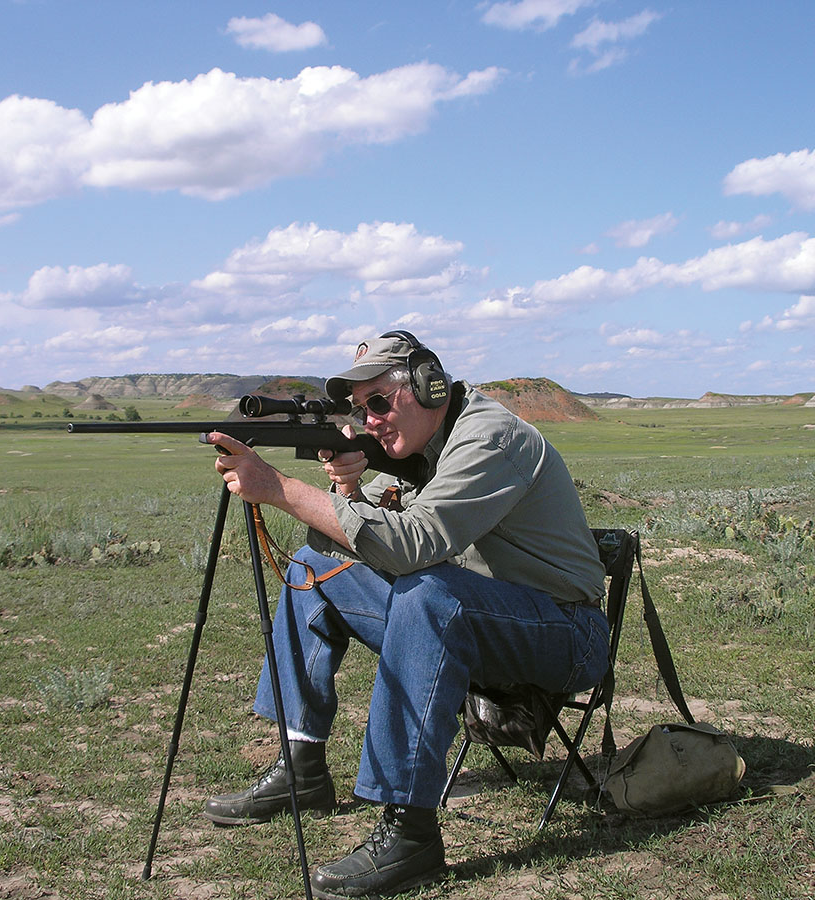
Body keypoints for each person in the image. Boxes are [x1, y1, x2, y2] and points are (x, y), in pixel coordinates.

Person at [204, 330, 609, 899]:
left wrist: (278, 488)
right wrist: (350, 490)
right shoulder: (417, 452)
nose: (369, 420)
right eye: (359, 408)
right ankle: (301, 764)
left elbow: (412, 546)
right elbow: (366, 535)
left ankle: (409, 831)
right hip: (478, 621)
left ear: (428, 386)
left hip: (565, 633)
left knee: (427, 593)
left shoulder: (489, 438)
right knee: (312, 568)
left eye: (378, 402)